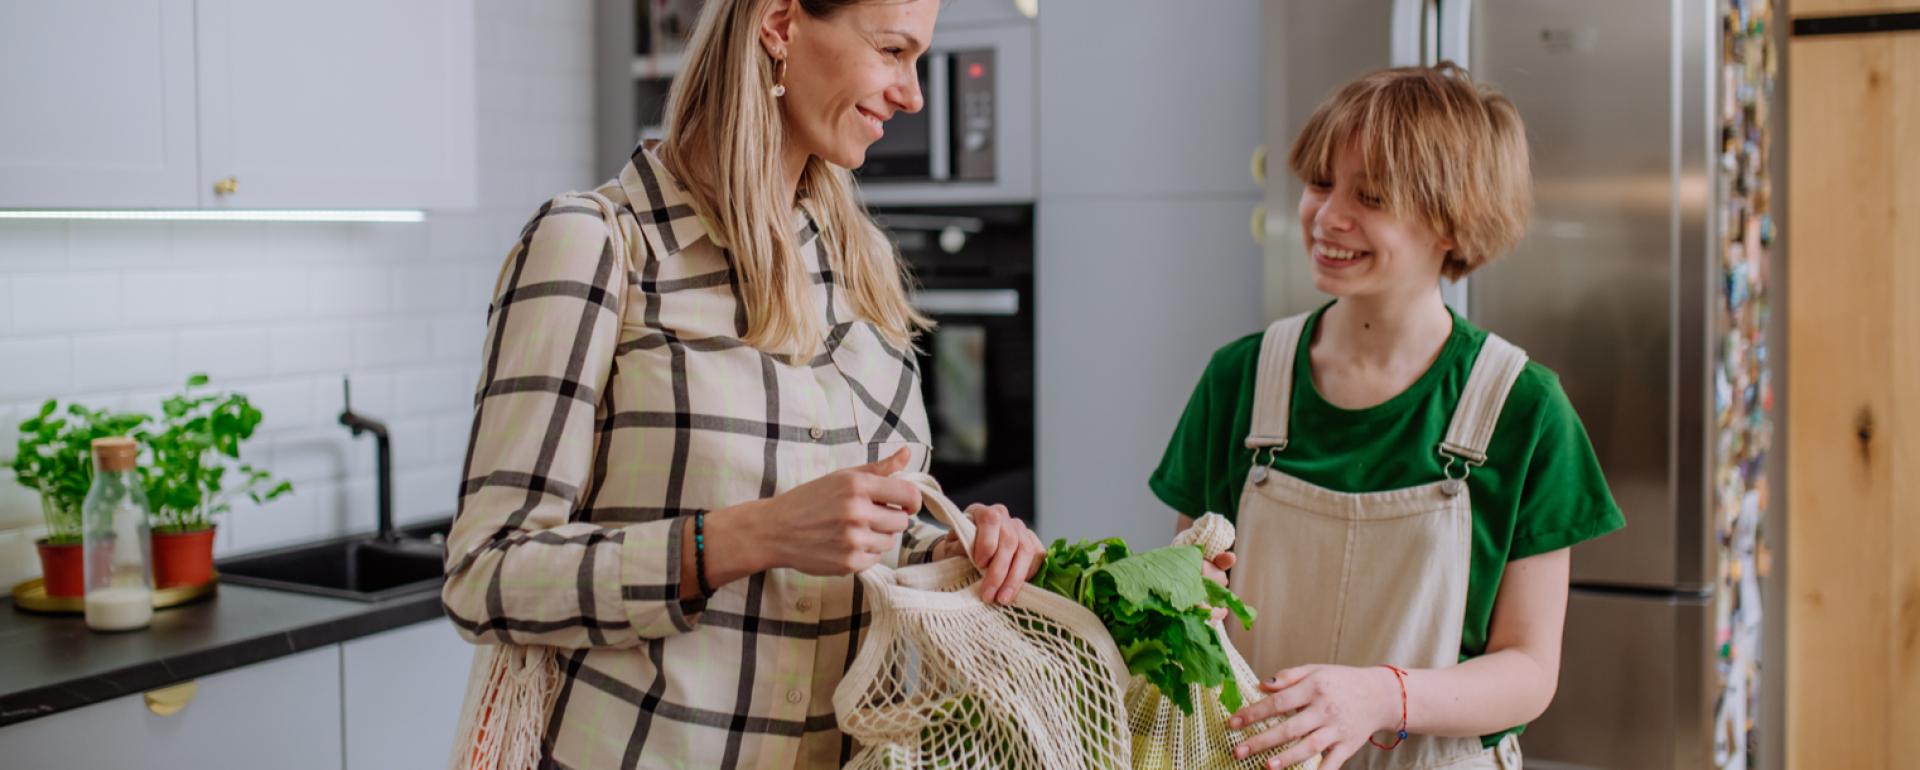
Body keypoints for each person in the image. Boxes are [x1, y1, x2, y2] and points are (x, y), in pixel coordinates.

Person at [439, 1, 1044, 767]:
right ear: (781, 25)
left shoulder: (860, 270)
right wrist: (746, 537)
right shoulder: (597, 245)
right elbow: (484, 575)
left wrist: (964, 545)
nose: (912, 93)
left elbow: (873, 536)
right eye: (892, 50)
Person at [1149, 63, 1624, 770]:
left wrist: (1383, 697)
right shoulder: (1242, 380)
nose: (1327, 216)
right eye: (1319, 183)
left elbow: (1529, 669)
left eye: (1371, 196)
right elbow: (1185, 591)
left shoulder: (1523, 410)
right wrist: (1189, 598)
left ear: (1454, 220)